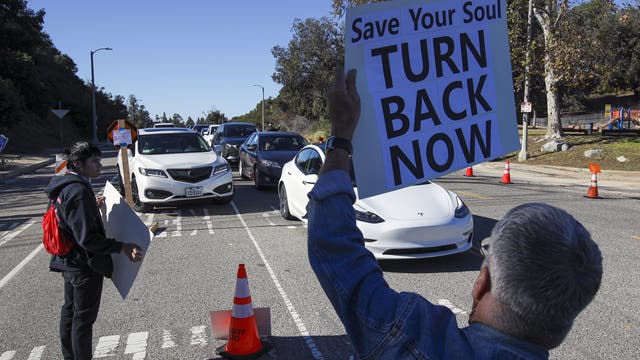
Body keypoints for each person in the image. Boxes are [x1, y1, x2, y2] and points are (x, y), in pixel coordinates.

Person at [306, 67, 603, 359]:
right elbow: (334, 248)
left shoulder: (412, 338)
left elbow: (333, 245)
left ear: (482, 282)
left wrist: (341, 137)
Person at [45, 141, 143, 360]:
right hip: (83, 265)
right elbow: (87, 238)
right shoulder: (78, 192)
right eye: (95, 161)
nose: (100, 165)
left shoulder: (65, 185)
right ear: (78, 164)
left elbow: (67, 218)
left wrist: (92, 205)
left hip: (68, 260)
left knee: (70, 313)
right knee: (82, 321)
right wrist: (122, 247)